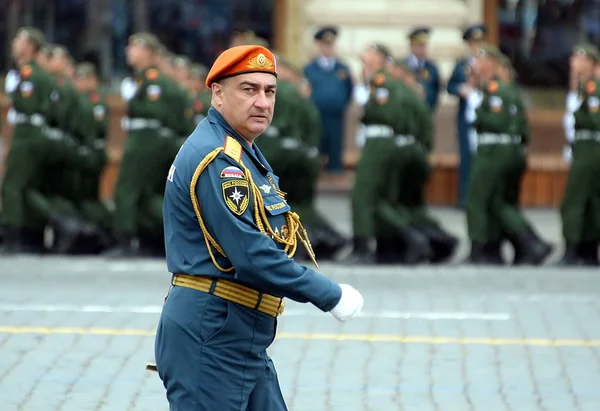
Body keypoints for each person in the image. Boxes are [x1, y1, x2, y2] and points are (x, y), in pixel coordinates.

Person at [153, 45, 364, 410]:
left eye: (269, 91)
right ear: (217, 93)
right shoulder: (221, 160)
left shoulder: (240, 148)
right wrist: (328, 293)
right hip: (212, 335)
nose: (262, 102)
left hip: (238, 334)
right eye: (248, 89)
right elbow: (252, 254)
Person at [464, 44, 550, 265]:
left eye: (479, 61)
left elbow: (498, 121)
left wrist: (478, 119)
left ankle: (488, 249)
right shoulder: (498, 89)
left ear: (491, 64)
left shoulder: (495, 90)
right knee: (497, 201)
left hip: (495, 150)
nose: (474, 65)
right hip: (504, 150)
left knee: (479, 199)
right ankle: (507, 248)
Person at [559, 43, 600, 266]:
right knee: (591, 200)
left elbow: (593, 121)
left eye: (579, 59)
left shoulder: (591, 88)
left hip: (589, 148)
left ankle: (573, 249)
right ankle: (588, 250)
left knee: (574, 201)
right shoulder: (582, 88)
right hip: (582, 146)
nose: (574, 63)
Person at [303, 26, 353, 175]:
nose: (328, 48)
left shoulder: (342, 68)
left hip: (336, 116)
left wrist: (341, 104)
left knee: (335, 146)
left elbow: (349, 90)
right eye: (325, 44)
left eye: (331, 44)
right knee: (316, 145)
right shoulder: (310, 68)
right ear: (318, 45)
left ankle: (335, 173)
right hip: (315, 115)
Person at [447, 24, 487, 208]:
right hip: (465, 116)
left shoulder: (488, 64)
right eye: (473, 43)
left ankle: (480, 199)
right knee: (466, 157)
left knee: (483, 157)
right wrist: (459, 89)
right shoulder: (462, 65)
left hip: (485, 116)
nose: (476, 46)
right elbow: (450, 86)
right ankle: (464, 198)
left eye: (479, 42)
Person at [404, 27, 441, 111]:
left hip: (425, 111)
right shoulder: (403, 65)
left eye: (424, 45)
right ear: (411, 45)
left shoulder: (432, 67)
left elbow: (436, 90)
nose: (422, 48)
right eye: (419, 45)